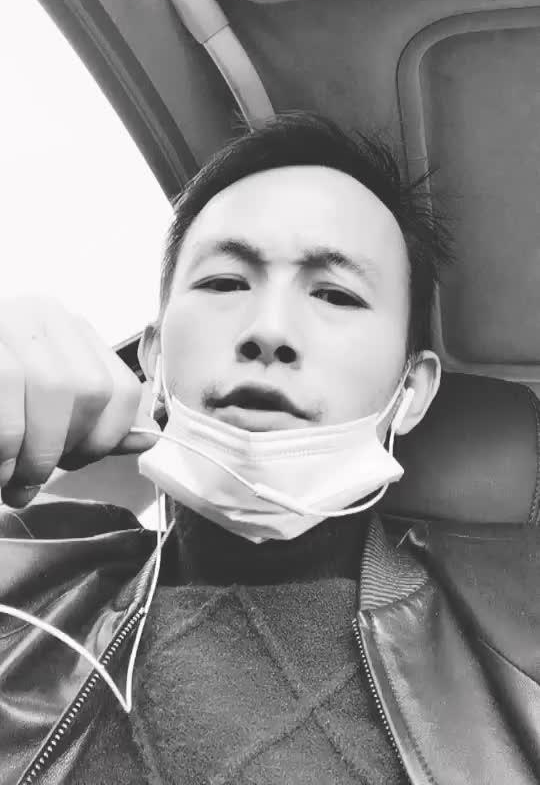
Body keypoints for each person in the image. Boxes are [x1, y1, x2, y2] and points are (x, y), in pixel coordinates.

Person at [0, 112, 537, 785]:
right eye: (225, 283)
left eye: (336, 294)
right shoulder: (25, 587)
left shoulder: (521, 632)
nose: (270, 329)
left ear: (411, 392)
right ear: (154, 359)